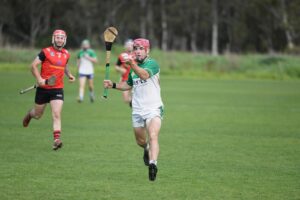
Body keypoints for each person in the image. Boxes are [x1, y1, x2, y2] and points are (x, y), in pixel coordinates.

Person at [104, 38, 164, 181]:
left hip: (153, 108)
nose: (137, 51)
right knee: (140, 141)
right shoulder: (133, 68)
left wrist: (132, 64)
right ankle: (146, 149)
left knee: (153, 135)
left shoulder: (152, 64)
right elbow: (127, 85)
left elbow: (144, 75)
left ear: (147, 50)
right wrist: (112, 84)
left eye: (141, 48)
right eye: (135, 48)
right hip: (137, 110)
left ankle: (153, 164)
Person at [22, 29, 75, 150]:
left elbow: (65, 66)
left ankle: (56, 140)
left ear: (64, 40)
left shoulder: (66, 54)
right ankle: (30, 115)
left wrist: (69, 75)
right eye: (57, 37)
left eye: (62, 38)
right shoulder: (45, 52)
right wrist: (39, 79)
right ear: (53, 39)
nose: (59, 39)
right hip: (43, 88)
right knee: (37, 115)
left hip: (57, 89)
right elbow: (33, 66)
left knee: (56, 114)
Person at [115, 39, 133, 105]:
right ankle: (132, 102)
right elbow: (116, 66)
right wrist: (120, 70)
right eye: (127, 45)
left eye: (130, 45)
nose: (129, 46)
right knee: (126, 99)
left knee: (135, 96)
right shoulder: (121, 56)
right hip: (125, 79)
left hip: (134, 78)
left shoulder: (136, 55)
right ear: (125, 46)